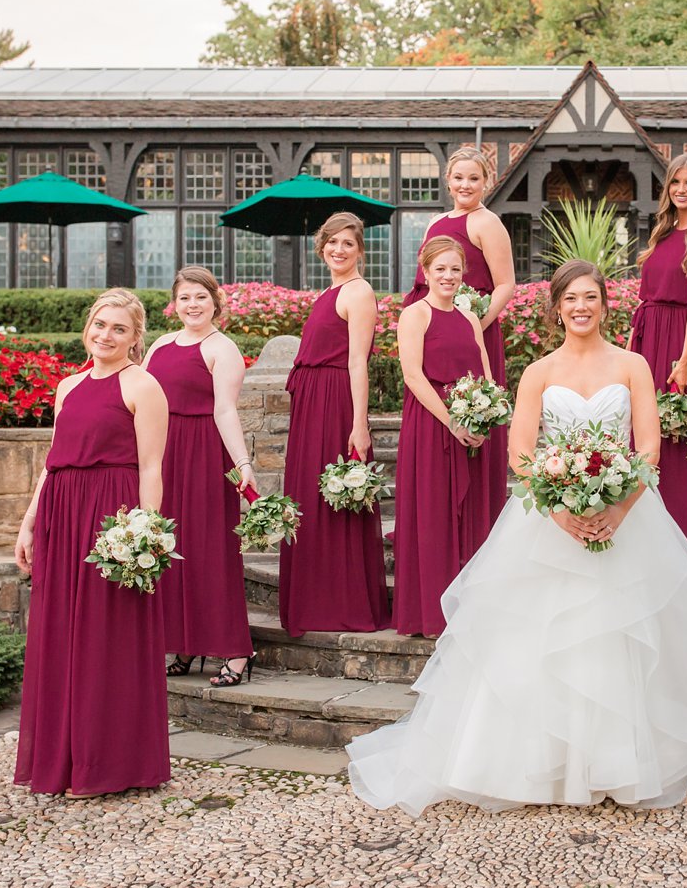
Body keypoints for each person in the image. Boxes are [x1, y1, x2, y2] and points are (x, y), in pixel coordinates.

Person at [346, 260, 687, 817]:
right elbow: (520, 454)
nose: (581, 307)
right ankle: (543, 765)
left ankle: (621, 764)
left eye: (590, 297)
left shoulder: (633, 365)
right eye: (570, 299)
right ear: (557, 308)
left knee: (623, 636)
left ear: (606, 305)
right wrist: (562, 514)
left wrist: (618, 509)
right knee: (541, 638)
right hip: (549, 520)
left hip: (625, 515)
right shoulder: (537, 372)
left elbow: (649, 449)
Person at [13, 289, 171, 797]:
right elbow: (52, 460)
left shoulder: (143, 386)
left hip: (111, 516)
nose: (105, 335)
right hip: (62, 513)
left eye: (118, 329)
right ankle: (61, 760)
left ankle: (110, 764)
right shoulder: (68, 386)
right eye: (100, 324)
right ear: (88, 326)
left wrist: (145, 532)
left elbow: (151, 467)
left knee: (107, 636)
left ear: (134, 337)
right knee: (60, 631)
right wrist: (29, 522)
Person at [144, 266, 256, 687]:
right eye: (185, 297)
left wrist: (242, 466)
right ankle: (185, 643)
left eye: (200, 297)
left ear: (215, 301)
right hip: (165, 454)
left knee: (212, 552)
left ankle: (236, 650)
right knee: (171, 549)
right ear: (175, 303)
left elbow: (225, 410)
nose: (192, 305)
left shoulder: (221, 348)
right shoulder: (160, 344)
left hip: (205, 455)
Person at [279, 213, 389, 637]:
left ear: (360, 250)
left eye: (348, 243)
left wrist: (359, 424)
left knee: (335, 504)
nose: (339, 249)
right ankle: (317, 600)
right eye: (332, 242)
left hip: (334, 406)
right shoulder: (330, 291)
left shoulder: (358, 292)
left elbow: (357, 361)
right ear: (321, 246)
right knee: (311, 500)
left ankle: (340, 603)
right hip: (312, 408)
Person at [392, 237, 498, 637]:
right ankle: (431, 614)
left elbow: (485, 373)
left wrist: (484, 416)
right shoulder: (415, 315)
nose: (449, 276)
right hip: (431, 425)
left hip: (471, 428)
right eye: (441, 269)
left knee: (470, 513)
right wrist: (453, 421)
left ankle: (469, 610)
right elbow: (413, 376)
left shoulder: (469, 317)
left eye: (455, 269)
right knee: (434, 515)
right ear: (425, 270)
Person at [402, 147, 515, 511]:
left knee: (473, 415)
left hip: (470, 333)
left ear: (487, 182)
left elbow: (505, 285)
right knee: (429, 425)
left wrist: (470, 327)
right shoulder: (436, 222)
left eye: (474, 178)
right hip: (429, 326)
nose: (465, 185)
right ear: (448, 181)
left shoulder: (488, 223)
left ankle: (474, 513)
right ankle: (432, 513)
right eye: (459, 177)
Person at [628, 151, 687, 546]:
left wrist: (683, 361)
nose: (682, 190)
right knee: (644, 425)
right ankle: (641, 517)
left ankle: (684, 526)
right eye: (676, 182)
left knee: (678, 433)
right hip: (648, 337)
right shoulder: (663, 230)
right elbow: (644, 298)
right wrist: (630, 348)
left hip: (679, 340)